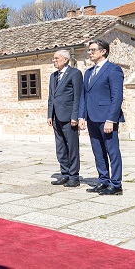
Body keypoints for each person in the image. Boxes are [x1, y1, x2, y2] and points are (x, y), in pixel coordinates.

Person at [79, 39, 125, 195]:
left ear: (103, 51)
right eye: (89, 50)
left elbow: (117, 97)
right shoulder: (88, 72)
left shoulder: (114, 70)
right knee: (98, 151)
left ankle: (116, 184)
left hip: (107, 119)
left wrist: (111, 119)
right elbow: (84, 96)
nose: (89, 53)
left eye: (93, 50)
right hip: (92, 118)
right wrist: (81, 117)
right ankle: (103, 180)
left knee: (112, 151)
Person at [47, 50, 83, 187]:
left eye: (56, 58)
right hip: (56, 117)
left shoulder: (75, 74)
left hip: (69, 117)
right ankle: (65, 173)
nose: (54, 61)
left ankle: (74, 177)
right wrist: (49, 114)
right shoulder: (53, 76)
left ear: (66, 60)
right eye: (53, 59)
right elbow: (51, 96)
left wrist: (75, 116)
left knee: (72, 147)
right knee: (60, 147)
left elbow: (77, 97)